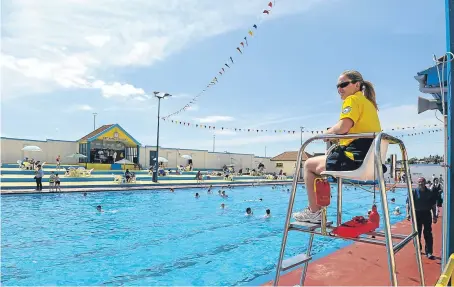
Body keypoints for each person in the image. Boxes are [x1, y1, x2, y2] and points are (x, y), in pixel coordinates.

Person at [293, 70, 382, 222]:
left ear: (357, 85)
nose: (339, 89)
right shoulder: (369, 104)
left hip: (355, 160)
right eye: (337, 86)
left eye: (343, 85)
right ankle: (317, 209)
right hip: (371, 163)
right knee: (322, 163)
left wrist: (327, 133)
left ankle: (314, 212)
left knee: (308, 164)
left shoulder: (352, 100)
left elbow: (343, 127)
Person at [406, 177, 437, 259]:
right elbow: (409, 203)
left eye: (422, 182)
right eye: (419, 182)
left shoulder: (430, 192)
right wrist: (408, 214)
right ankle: (418, 249)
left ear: (425, 182)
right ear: (417, 183)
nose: (421, 183)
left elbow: (434, 205)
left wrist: (434, 215)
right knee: (417, 233)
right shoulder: (414, 191)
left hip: (427, 213)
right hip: (417, 214)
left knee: (428, 233)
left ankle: (429, 252)